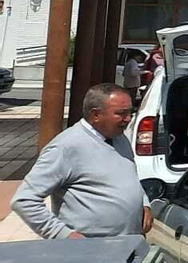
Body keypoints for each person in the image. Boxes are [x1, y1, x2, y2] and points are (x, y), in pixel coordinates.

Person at [11, 83, 150, 239]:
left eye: (130, 112)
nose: (129, 119)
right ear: (96, 115)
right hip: (91, 251)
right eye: (121, 113)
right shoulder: (65, 148)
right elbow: (24, 200)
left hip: (129, 243)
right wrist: (63, 234)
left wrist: (143, 203)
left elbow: (127, 177)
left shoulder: (119, 138)